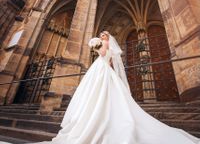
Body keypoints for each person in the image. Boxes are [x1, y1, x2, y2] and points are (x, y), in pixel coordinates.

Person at [1, 31, 200, 144]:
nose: (102, 36)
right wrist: (99, 49)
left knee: (98, 95)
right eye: (102, 36)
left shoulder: (104, 45)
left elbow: (104, 55)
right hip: (103, 69)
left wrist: (99, 46)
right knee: (101, 96)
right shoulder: (107, 48)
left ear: (106, 37)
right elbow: (110, 61)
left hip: (100, 69)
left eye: (103, 35)